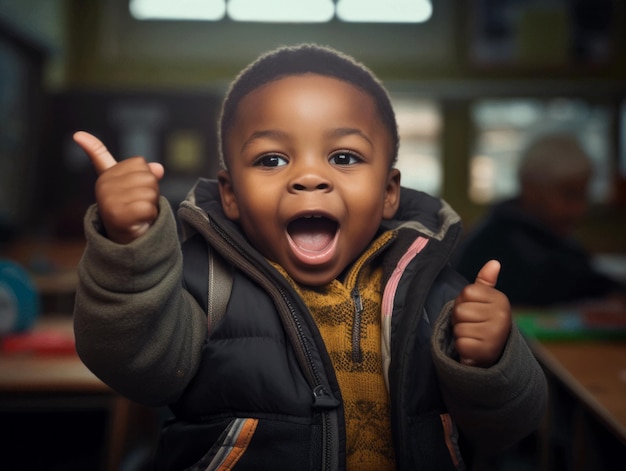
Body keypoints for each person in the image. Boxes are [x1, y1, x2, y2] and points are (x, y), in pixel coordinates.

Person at [72, 44, 547, 471]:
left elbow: (506, 429)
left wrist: (490, 360)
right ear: (231, 194)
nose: (309, 178)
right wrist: (132, 246)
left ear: (388, 193)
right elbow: (137, 367)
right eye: (272, 160)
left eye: (343, 157)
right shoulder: (205, 285)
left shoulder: (434, 293)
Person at [454, 133, 625, 307]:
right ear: (531, 190)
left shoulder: (546, 235)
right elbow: (570, 285)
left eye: (583, 196)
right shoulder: (500, 246)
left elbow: (588, 279)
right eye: (570, 195)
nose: (580, 209)